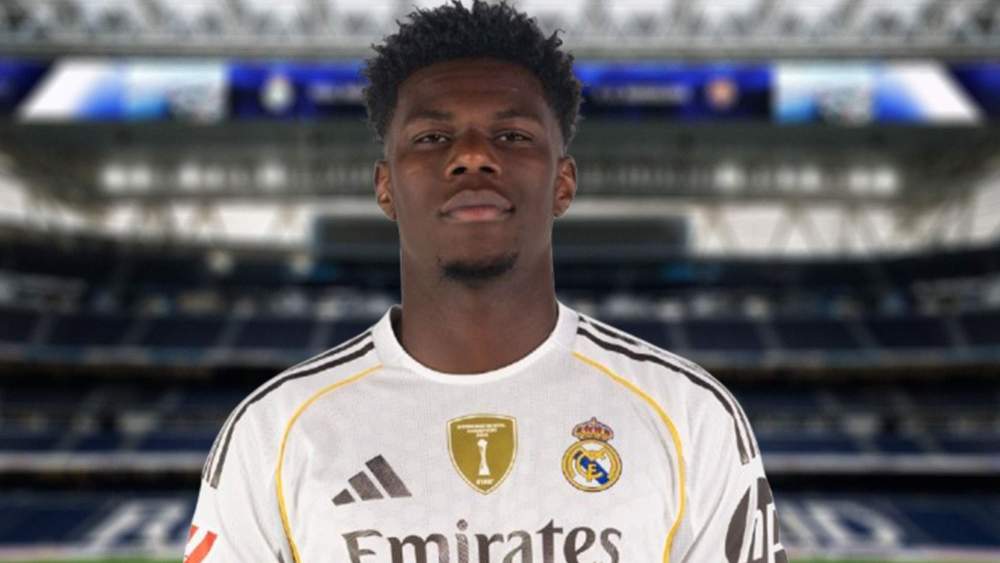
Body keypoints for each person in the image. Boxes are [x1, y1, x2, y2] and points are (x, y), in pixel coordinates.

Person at [187, 2, 786, 562]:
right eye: (432, 138)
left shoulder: (688, 415)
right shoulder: (274, 431)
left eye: (512, 136)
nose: (473, 156)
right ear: (386, 187)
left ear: (563, 184)